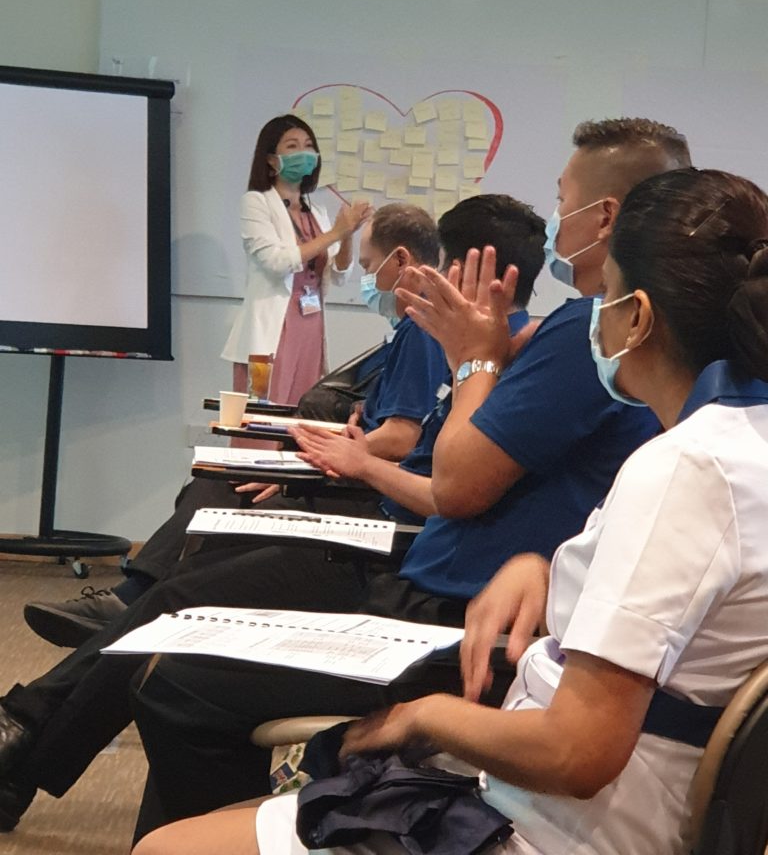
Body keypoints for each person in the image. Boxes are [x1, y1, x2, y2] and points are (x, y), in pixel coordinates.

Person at [135, 166, 768, 855]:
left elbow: (575, 751)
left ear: (638, 317)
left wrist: (422, 718)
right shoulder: (738, 444)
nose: (596, 317)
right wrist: (548, 571)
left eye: (608, 296)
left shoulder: (684, 468)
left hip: (551, 826)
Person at [0, 195, 535, 833]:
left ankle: (29, 730)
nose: (428, 280)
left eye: (441, 267)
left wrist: (352, 460)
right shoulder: (459, 349)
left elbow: (442, 484)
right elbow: (425, 458)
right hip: (389, 534)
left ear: (469, 272)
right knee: (191, 569)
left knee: (181, 630)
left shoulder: (489, 356)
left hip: (393, 548)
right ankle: (31, 727)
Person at [24, 203, 448, 649]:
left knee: (222, 486)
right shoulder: (409, 330)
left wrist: (314, 459)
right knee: (216, 484)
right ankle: (137, 601)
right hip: (351, 472)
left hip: (361, 491)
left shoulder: (422, 330)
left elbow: (404, 436)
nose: (365, 278)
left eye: (367, 266)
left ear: (400, 260)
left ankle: (133, 600)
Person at [220, 114, 371, 403]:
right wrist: (336, 233)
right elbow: (277, 263)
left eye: (308, 146)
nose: (303, 153)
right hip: (269, 335)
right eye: (292, 146)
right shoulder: (256, 203)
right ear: (271, 160)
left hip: (310, 327)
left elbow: (338, 276)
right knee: (260, 422)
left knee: (300, 420)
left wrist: (347, 234)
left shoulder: (316, 212)